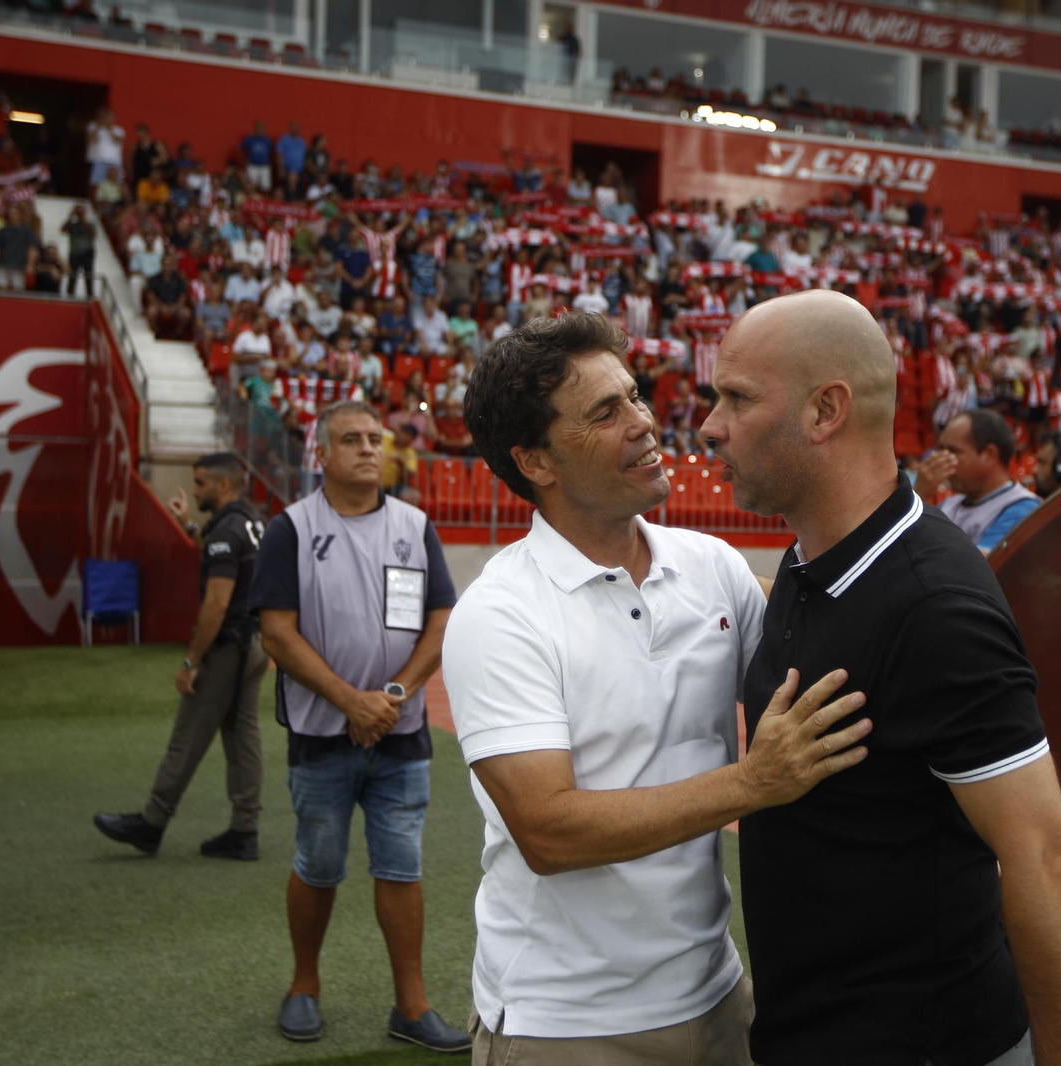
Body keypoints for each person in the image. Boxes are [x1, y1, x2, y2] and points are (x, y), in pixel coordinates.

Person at [443, 312, 867, 1065]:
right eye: (606, 413)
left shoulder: (712, 566)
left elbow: (825, 665)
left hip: (717, 994)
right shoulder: (500, 613)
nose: (645, 423)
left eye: (634, 397)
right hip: (566, 1024)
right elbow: (548, 832)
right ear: (534, 462)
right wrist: (753, 781)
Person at [699, 289, 1061, 1066]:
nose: (712, 425)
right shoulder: (809, 556)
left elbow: (1047, 855)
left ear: (825, 412)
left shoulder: (934, 605)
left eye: (737, 398)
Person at [250, 401, 468, 1052]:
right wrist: (352, 701)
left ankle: (412, 1006)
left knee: (401, 868)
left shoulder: (415, 525)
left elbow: (439, 622)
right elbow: (277, 634)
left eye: (376, 439)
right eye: (351, 440)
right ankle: (303, 987)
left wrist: (395, 694)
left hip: (400, 735)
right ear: (321, 454)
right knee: (318, 864)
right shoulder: (291, 529)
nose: (369, 449)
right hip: (322, 734)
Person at [94, 454, 268, 860]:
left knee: (188, 735)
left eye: (201, 483)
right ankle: (245, 829)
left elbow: (217, 602)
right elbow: (226, 557)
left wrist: (192, 660)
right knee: (244, 739)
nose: (195, 489)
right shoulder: (251, 522)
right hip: (254, 644)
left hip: (228, 646)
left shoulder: (227, 530)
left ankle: (151, 822)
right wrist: (189, 524)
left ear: (224, 486)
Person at [914, 409, 1042, 555]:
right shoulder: (950, 504)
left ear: (989, 455)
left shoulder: (1022, 508)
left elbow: (978, 570)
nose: (943, 459)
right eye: (942, 450)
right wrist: (917, 495)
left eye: (953, 451)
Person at [61, 204, 97, 297]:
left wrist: (83, 219)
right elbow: (63, 230)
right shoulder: (72, 225)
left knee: (88, 277)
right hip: (74, 253)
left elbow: (93, 234)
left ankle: (90, 296)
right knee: (72, 277)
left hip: (87, 253)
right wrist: (70, 216)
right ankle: (70, 295)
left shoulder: (90, 224)